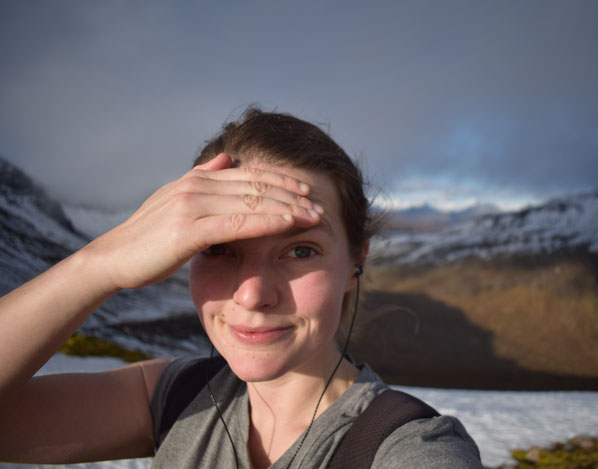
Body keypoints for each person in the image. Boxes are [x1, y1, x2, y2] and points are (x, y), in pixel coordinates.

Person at [0, 108, 482, 468]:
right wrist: (97, 265)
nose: (252, 295)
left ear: (358, 257)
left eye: (300, 251)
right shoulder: (174, 396)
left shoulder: (410, 449)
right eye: (218, 248)